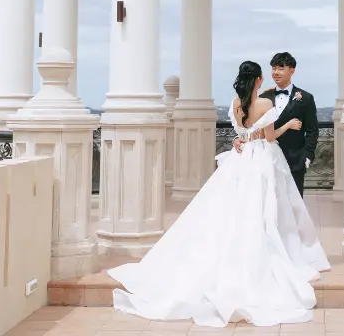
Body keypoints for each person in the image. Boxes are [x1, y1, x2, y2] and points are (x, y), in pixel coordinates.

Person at [109, 60, 330, 327]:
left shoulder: (236, 103)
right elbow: (270, 137)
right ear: (258, 80)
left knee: (233, 207)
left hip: (241, 157)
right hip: (261, 158)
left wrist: (240, 138)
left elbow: (243, 133)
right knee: (265, 208)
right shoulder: (265, 104)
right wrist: (288, 125)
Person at [235, 52, 318, 197]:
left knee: (294, 203)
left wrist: (307, 157)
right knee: (270, 202)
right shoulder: (263, 97)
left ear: (292, 71)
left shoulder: (306, 98)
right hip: (266, 160)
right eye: (273, 68)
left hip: (294, 161)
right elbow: (251, 127)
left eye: (281, 68)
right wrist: (237, 138)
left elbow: (312, 130)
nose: (276, 72)